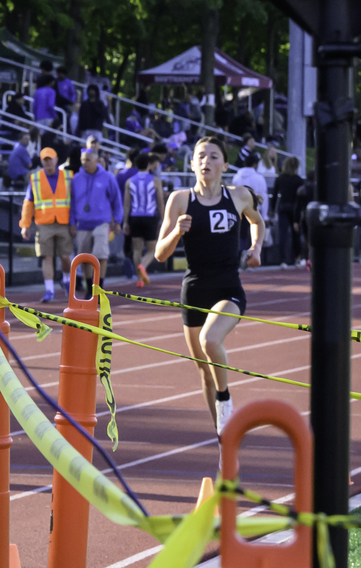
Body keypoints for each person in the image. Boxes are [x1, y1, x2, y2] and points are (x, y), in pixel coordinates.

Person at [154, 136, 264, 434]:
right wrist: (176, 232)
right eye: (200, 156)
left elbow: (257, 221)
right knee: (203, 370)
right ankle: (223, 436)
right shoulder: (180, 199)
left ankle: (225, 398)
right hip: (194, 289)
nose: (206, 161)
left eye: (214, 156)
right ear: (191, 164)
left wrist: (256, 248)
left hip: (228, 289)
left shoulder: (239, 196)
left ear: (225, 165)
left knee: (209, 340)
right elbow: (159, 254)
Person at [19, 146, 73, 302]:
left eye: (51, 160)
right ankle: (50, 290)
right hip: (44, 223)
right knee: (46, 257)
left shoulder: (68, 176)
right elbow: (28, 203)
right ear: (42, 162)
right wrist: (25, 225)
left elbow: (74, 201)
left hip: (63, 221)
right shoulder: (35, 178)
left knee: (65, 256)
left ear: (56, 160)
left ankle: (66, 279)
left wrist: (74, 222)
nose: (48, 164)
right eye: (45, 161)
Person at [68, 144, 122, 296]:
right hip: (82, 223)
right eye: (83, 160)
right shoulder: (76, 179)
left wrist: (117, 221)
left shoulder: (107, 177)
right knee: (84, 258)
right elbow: (72, 203)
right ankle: (89, 287)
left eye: (88, 160)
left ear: (96, 160)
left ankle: (99, 288)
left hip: (101, 222)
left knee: (100, 254)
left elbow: (116, 200)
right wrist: (72, 222)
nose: (85, 163)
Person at [121, 152, 164, 287]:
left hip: (135, 217)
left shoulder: (129, 181)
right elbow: (160, 202)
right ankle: (143, 266)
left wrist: (126, 222)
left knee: (137, 249)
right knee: (152, 250)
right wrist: (163, 219)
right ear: (149, 165)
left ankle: (139, 279)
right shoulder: (155, 181)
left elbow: (126, 204)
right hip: (150, 217)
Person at [273, 156, 304, 267]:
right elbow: (300, 198)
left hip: (283, 207)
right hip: (295, 209)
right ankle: (298, 257)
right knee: (296, 233)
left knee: (283, 233)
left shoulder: (280, 178)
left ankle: (283, 260)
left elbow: (275, 195)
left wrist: (272, 209)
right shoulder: (299, 180)